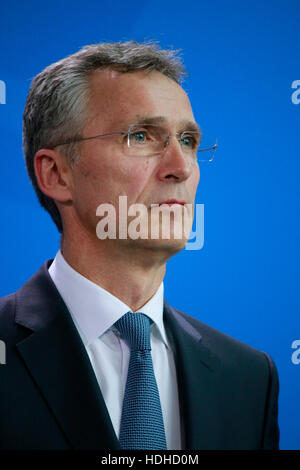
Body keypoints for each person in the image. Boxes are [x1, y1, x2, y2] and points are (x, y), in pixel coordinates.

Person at [0, 41, 279, 450]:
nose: (181, 167)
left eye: (187, 140)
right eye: (142, 136)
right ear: (57, 174)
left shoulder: (248, 378)